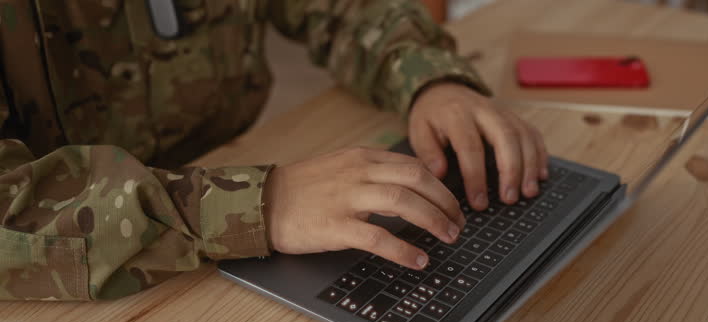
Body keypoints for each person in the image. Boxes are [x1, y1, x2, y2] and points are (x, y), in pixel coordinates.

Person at [0, 0, 547, 301]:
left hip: (222, 222)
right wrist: (255, 204)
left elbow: (347, 9)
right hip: (67, 299)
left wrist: (429, 78)